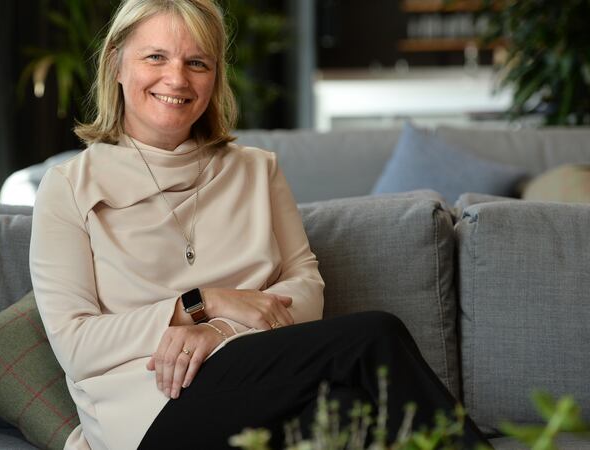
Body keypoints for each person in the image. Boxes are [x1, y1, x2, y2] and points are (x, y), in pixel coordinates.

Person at [29, 1, 490, 449]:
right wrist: (201, 303)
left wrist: (220, 331)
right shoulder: (69, 187)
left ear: (215, 77)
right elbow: (76, 344)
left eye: (197, 62)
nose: (177, 78)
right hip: (148, 409)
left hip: (258, 388)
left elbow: (307, 286)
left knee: (352, 414)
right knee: (375, 336)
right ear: (116, 63)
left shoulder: (255, 170)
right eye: (155, 57)